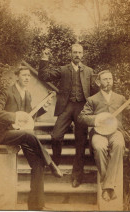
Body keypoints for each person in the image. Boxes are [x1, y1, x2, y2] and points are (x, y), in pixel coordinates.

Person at [0, 66, 63, 210]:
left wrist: (44, 108)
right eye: (23, 75)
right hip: (6, 134)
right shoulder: (7, 92)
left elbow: (29, 117)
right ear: (17, 76)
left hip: (22, 134)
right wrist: (15, 116)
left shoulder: (28, 94)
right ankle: (51, 163)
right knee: (29, 134)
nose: (26, 78)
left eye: (28, 76)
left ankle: (36, 205)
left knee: (38, 164)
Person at [78, 70, 130, 201]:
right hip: (99, 133)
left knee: (119, 144)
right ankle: (109, 187)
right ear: (98, 82)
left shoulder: (121, 98)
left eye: (110, 79)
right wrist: (97, 119)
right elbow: (81, 117)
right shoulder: (92, 99)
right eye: (105, 79)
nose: (108, 82)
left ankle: (107, 187)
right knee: (99, 147)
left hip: (115, 132)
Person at [38, 44, 94, 188]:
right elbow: (44, 76)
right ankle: (56, 163)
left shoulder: (89, 71)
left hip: (82, 108)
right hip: (66, 107)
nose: (77, 54)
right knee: (56, 136)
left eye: (79, 52)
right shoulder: (63, 70)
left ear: (83, 54)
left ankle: (77, 176)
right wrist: (44, 58)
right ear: (71, 54)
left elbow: (96, 90)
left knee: (81, 143)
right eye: (75, 52)